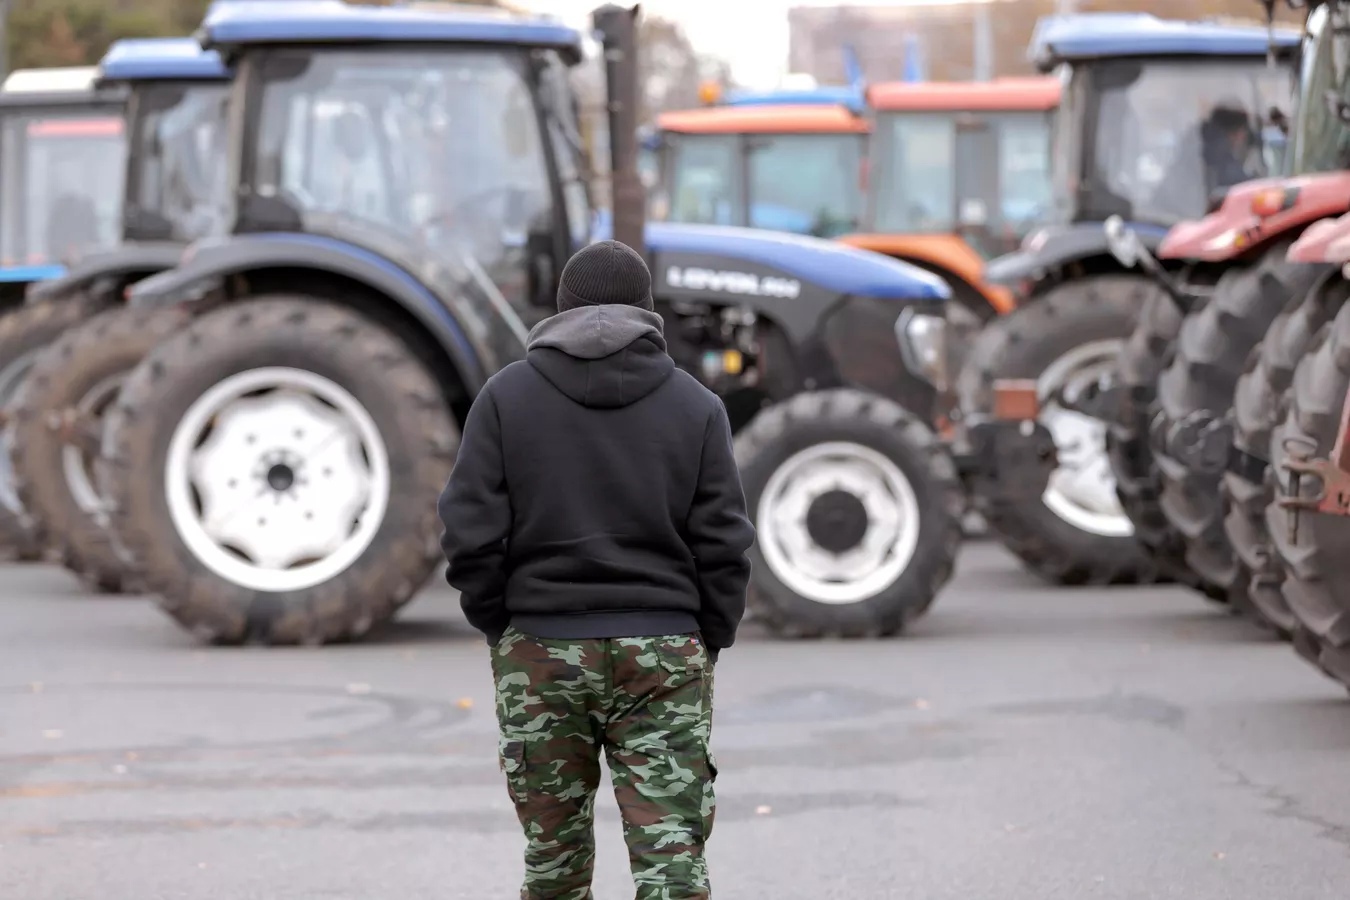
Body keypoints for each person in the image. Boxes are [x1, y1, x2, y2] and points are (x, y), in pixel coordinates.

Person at [438, 239, 755, 900]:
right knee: (671, 856)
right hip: (664, 650)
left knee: (553, 857)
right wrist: (708, 636)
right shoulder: (697, 407)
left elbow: (469, 535)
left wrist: (503, 622)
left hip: (541, 653)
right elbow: (724, 543)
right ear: (648, 311)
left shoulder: (505, 399)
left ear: (560, 308)